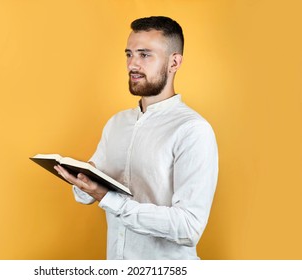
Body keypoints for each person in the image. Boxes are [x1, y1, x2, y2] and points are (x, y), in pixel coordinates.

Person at [54, 16, 218, 260]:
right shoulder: (117, 124)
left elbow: (188, 228)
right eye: (129, 54)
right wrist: (82, 178)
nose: (132, 64)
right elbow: (85, 196)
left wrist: (108, 198)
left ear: (174, 62)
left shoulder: (193, 130)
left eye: (144, 54)